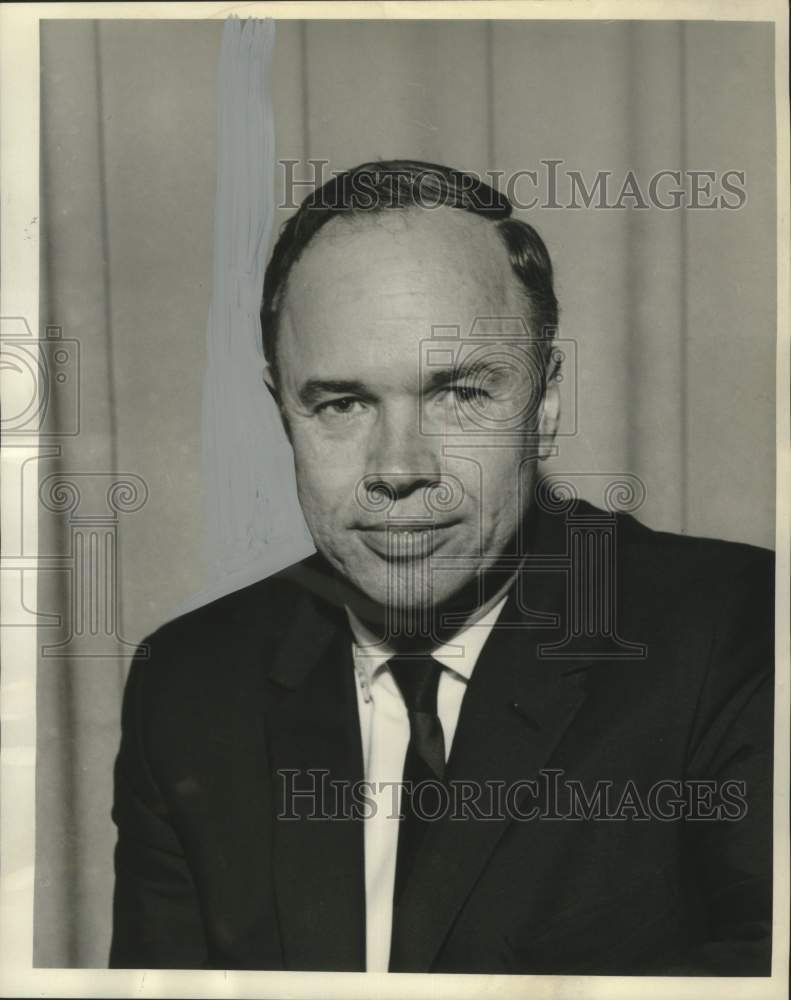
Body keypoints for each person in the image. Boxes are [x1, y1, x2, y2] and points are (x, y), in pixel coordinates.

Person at [109, 160, 773, 974]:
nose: (399, 466)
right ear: (282, 409)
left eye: (457, 392)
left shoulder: (738, 635)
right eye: (342, 403)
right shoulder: (186, 685)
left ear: (546, 399)